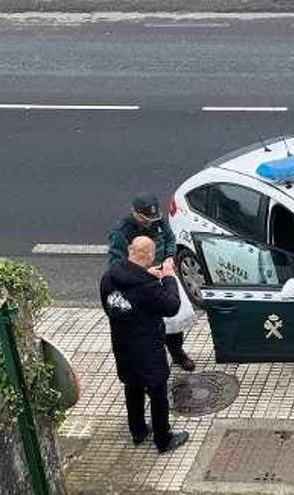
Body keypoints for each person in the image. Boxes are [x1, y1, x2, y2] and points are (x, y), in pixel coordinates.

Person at [100, 236, 190, 453]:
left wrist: (147, 276)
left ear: (130, 251)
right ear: (150, 256)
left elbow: (107, 305)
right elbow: (171, 306)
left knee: (132, 387)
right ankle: (163, 439)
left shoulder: (110, 276)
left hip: (122, 344)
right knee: (158, 392)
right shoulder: (147, 288)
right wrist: (168, 277)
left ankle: (138, 431)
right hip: (147, 349)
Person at [108, 192, 196, 371]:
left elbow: (170, 239)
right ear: (136, 214)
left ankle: (177, 352)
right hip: (140, 284)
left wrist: (169, 258)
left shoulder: (159, 222)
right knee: (151, 327)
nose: (150, 222)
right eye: (145, 219)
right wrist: (143, 271)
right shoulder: (122, 233)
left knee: (173, 318)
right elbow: (116, 265)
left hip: (164, 276)